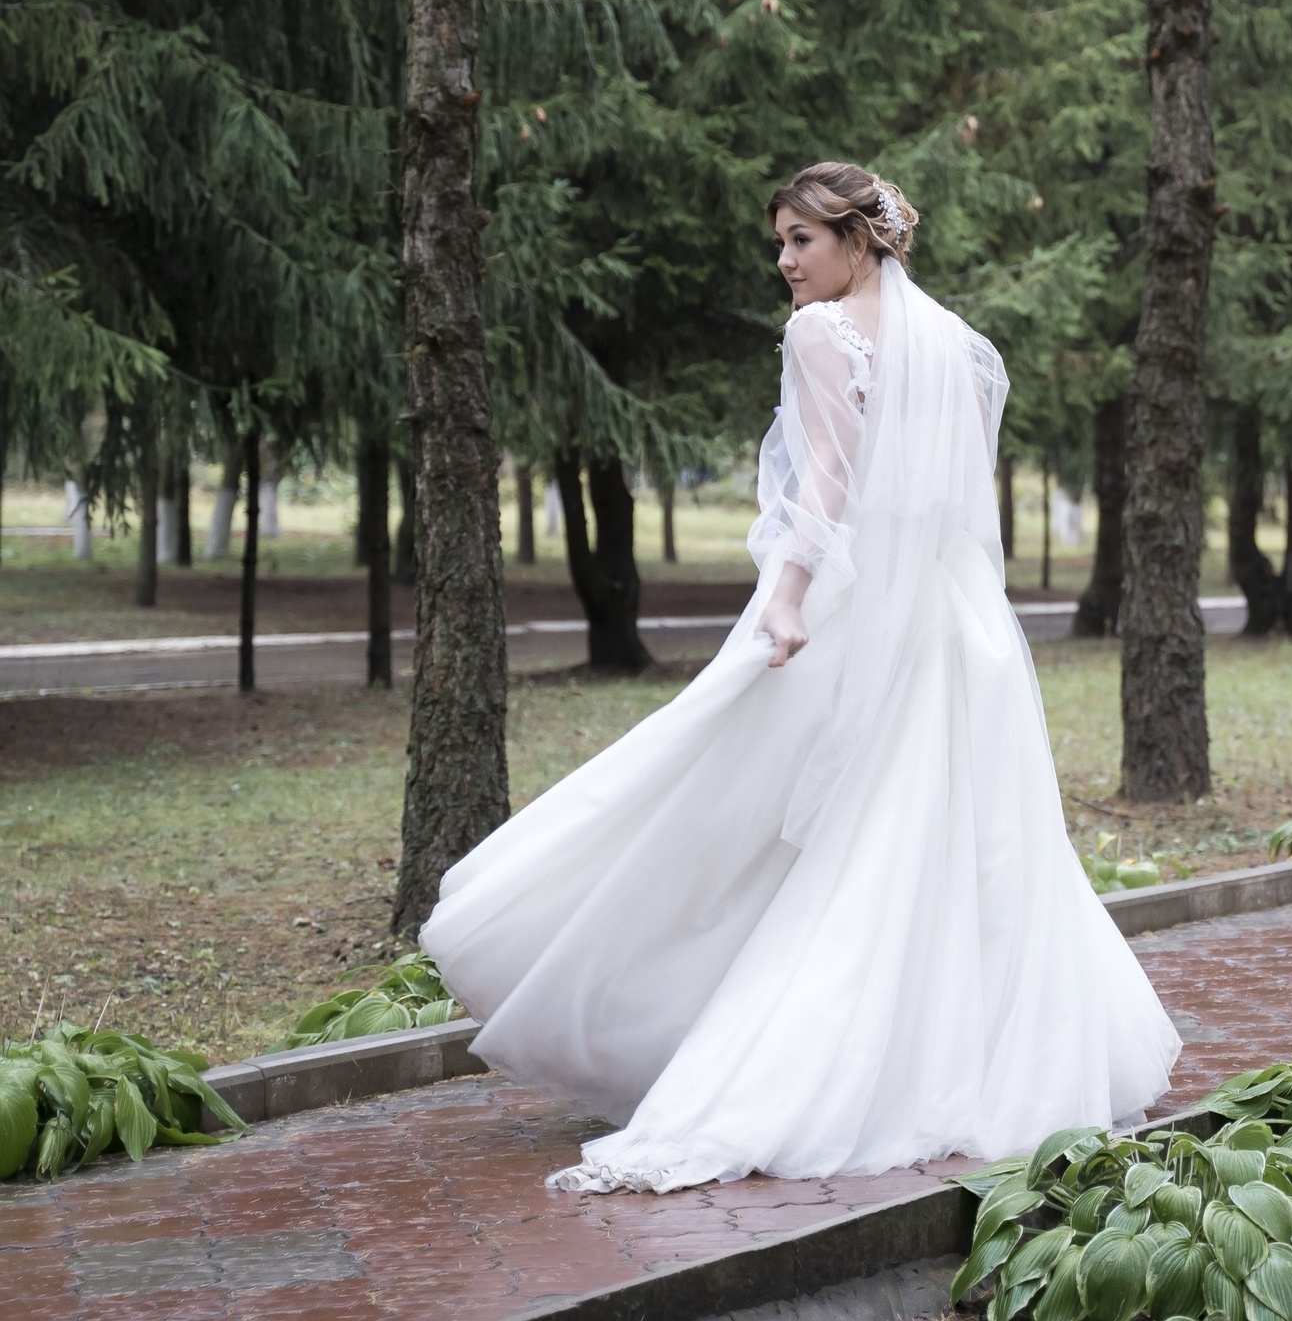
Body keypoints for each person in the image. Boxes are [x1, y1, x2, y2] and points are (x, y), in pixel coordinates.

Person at [420, 162, 1181, 1193]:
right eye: (779, 244)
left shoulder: (825, 334)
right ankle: (960, 1056)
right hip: (965, 631)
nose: (784, 263)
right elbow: (952, 499)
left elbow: (825, 480)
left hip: (861, 609)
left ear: (857, 240)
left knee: (741, 796)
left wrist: (784, 598)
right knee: (942, 841)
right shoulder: (956, 343)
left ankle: (716, 1028)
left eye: (799, 242)